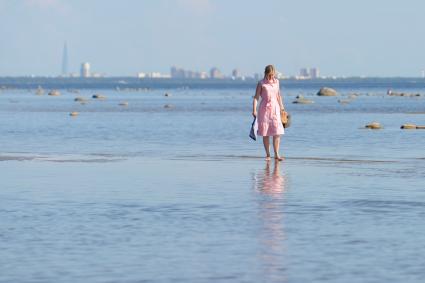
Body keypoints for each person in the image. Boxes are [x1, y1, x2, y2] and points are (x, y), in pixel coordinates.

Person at [252, 65, 285, 161]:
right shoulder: (261, 83)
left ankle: (277, 154)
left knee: (277, 132)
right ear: (265, 74)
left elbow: (279, 96)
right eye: (269, 75)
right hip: (264, 110)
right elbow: (256, 97)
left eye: (272, 75)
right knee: (266, 133)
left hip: (275, 109)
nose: (271, 77)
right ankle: (268, 154)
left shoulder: (277, 82)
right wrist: (254, 109)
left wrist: (282, 108)